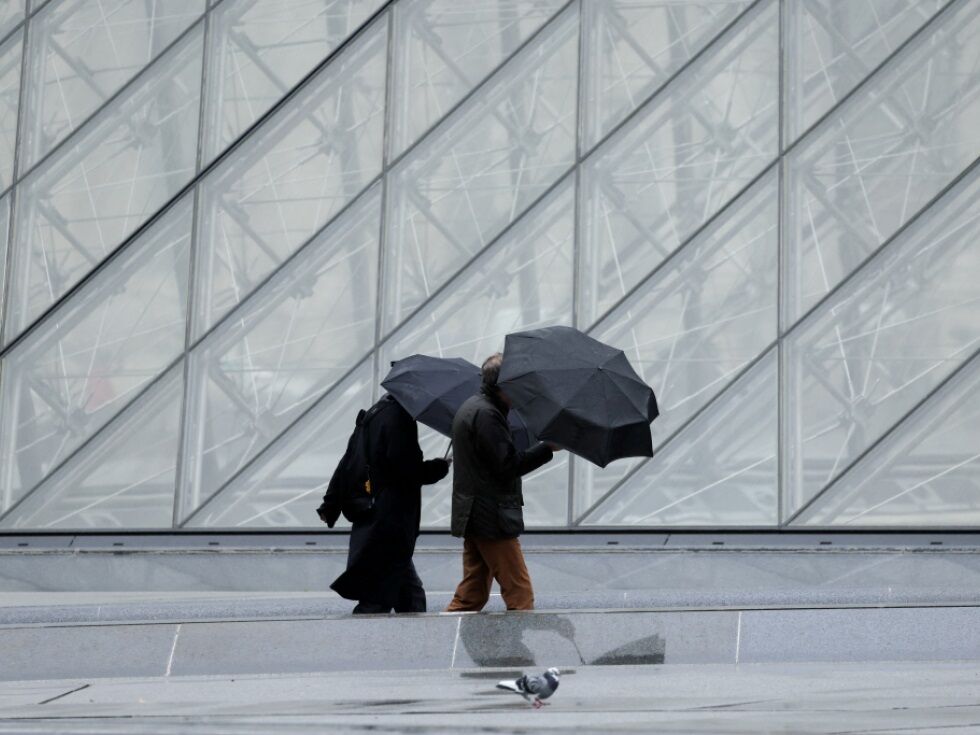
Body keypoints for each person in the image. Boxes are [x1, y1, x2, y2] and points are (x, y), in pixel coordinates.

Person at [445, 353, 559, 612]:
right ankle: (514, 653)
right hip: (491, 516)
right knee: (519, 592)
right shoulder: (487, 415)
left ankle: (441, 644)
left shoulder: (477, 407)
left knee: (471, 594)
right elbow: (507, 466)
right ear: (504, 385)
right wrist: (547, 448)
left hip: (475, 512)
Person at [330, 394, 449, 614]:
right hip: (392, 517)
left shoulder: (376, 413)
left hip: (377, 514)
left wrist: (330, 503)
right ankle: (389, 642)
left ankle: (410, 641)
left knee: (407, 591)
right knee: (381, 599)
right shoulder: (400, 419)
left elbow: (350, 459)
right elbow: (404, 469)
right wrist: (437, 468)